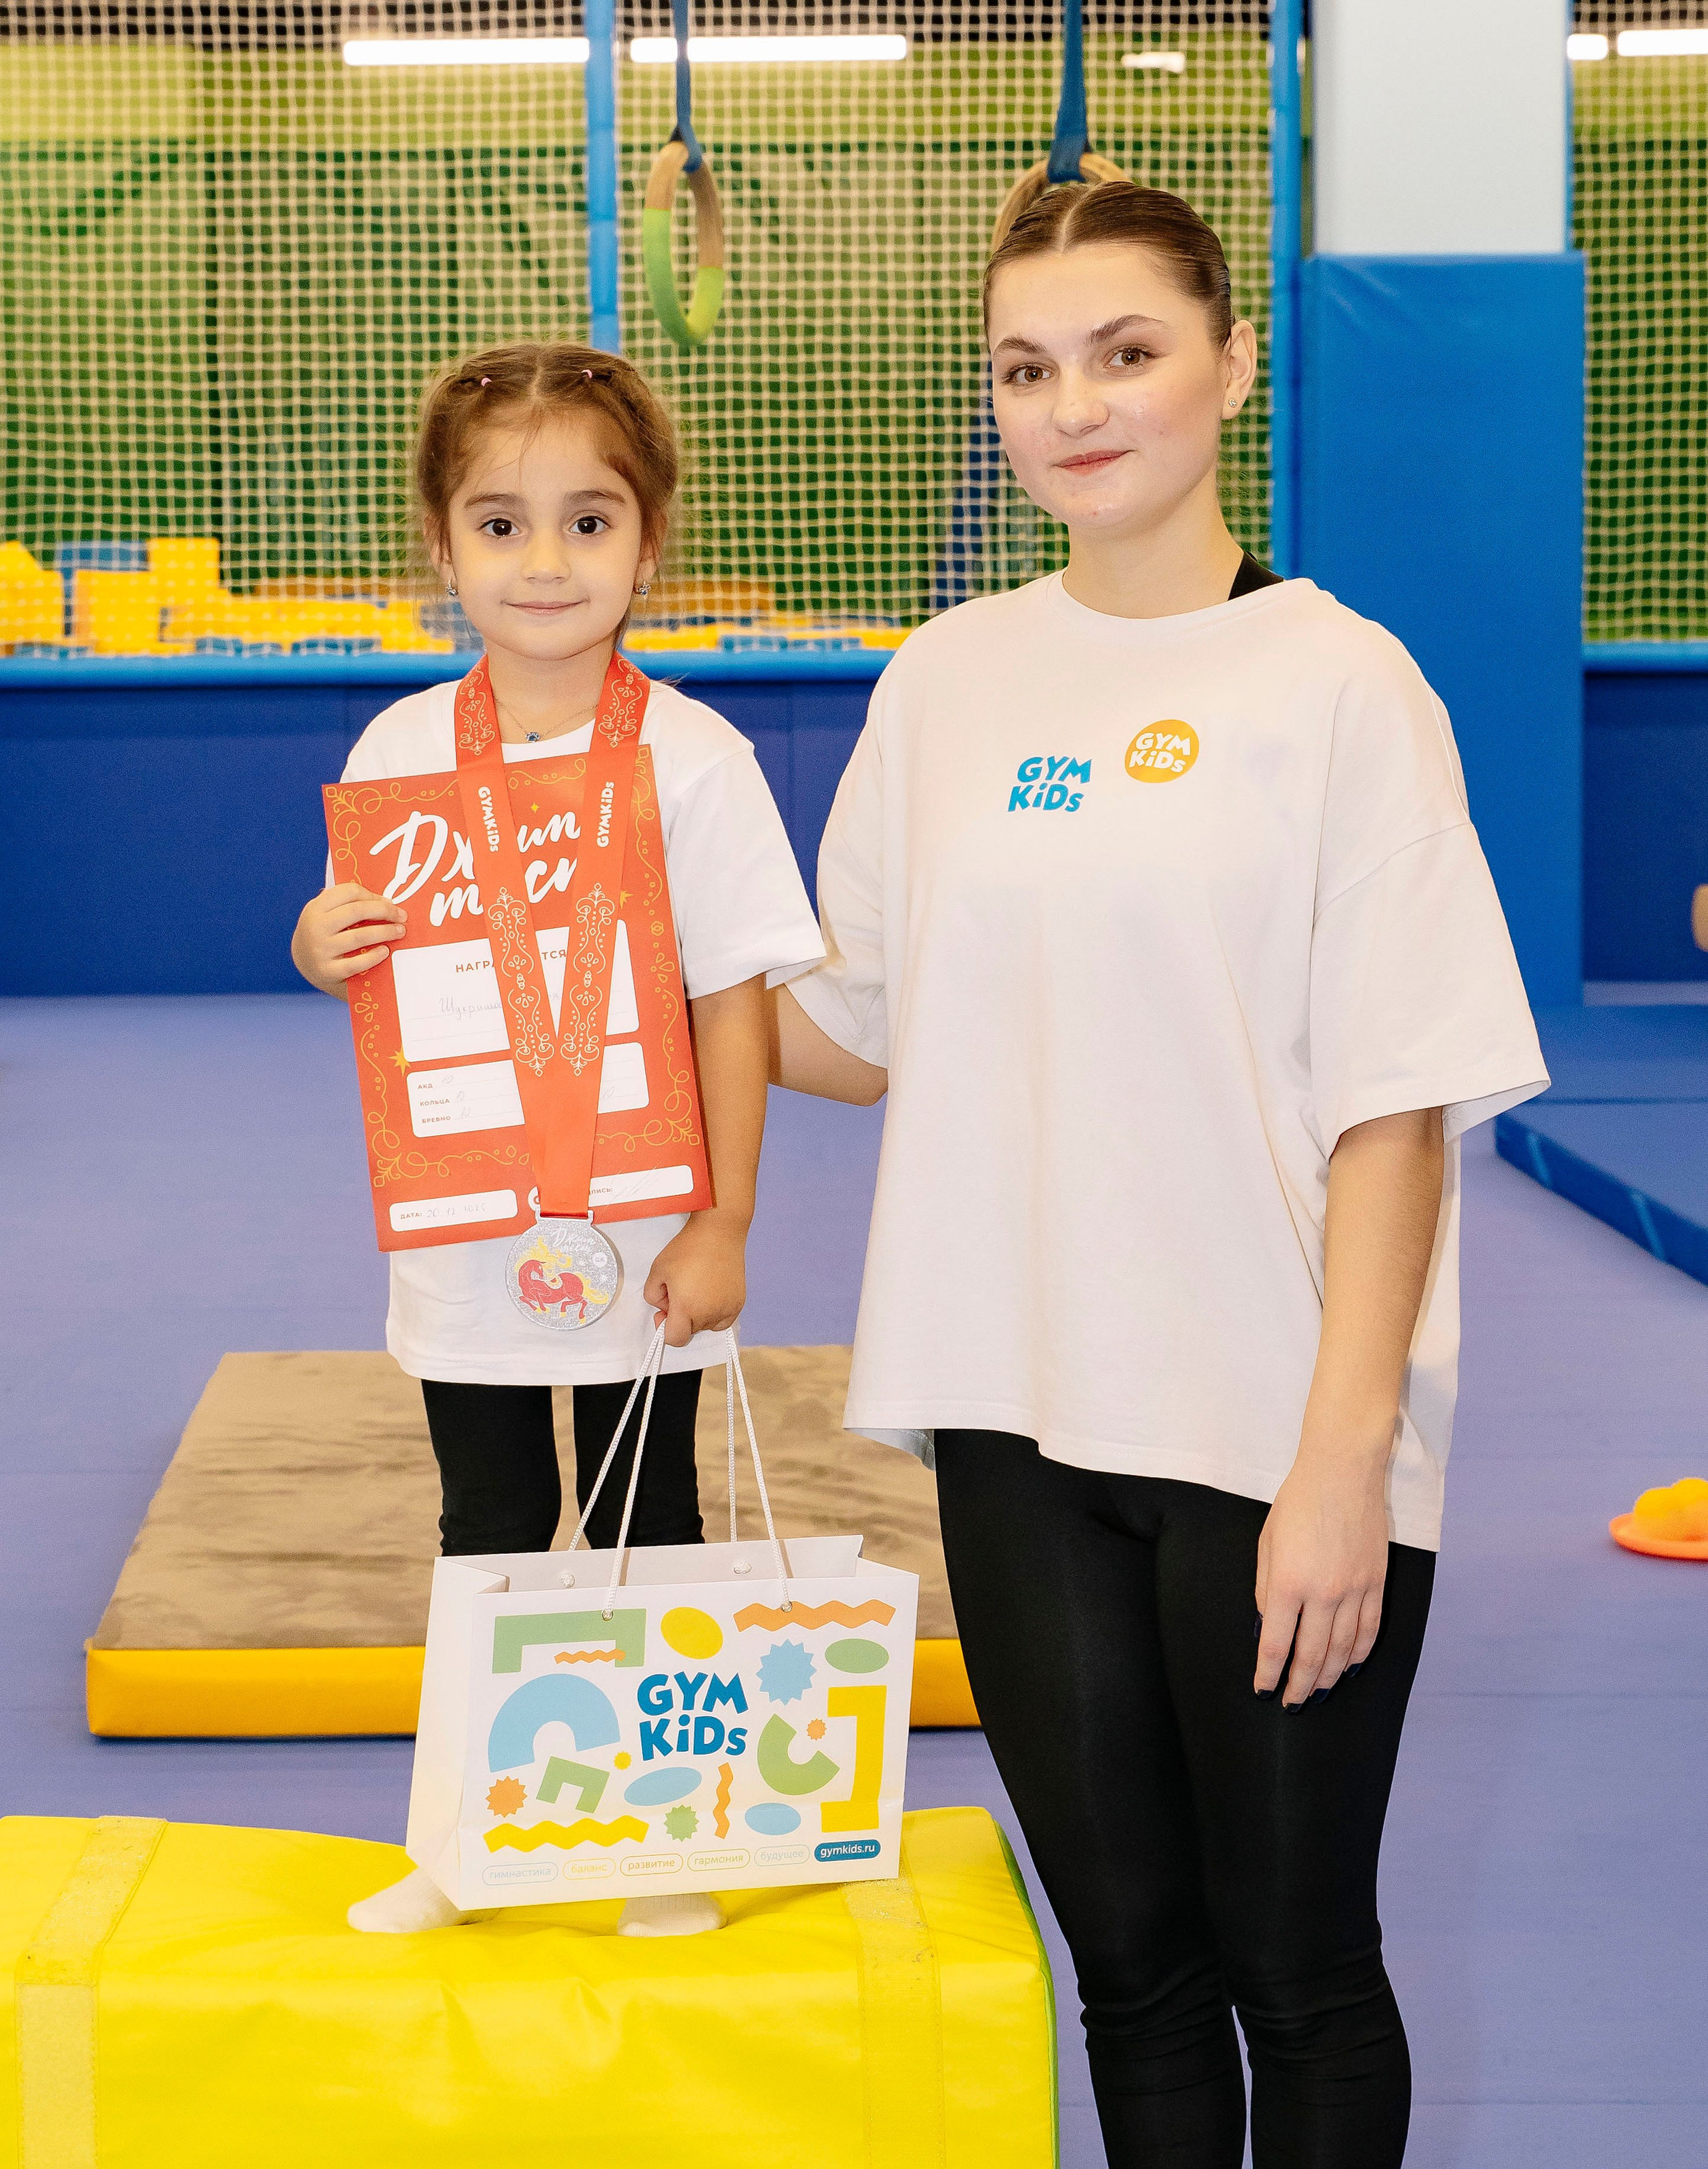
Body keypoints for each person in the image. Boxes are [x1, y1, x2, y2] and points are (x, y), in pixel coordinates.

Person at [769, 183, 1547, 2166]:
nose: (1075, 408)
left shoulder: (1339, 682)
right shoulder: (943, 680)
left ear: (1232, 363)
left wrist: (1345, 1460)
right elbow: (856, 1025)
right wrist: (578, 945)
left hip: (1268, 1431)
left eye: (1125, 354)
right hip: (1020, 1420)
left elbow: (1401, 1100)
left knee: (1297, 1961)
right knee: (1130, 1964)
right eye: (1027, 370)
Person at [292, 342, 823, 1937]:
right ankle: (461, 1845)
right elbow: (375, 972)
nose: (544, 562)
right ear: (441, 546)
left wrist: (723, 1220)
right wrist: (318, 945)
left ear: (646, 545)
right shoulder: (397, 754)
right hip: (470, 1235)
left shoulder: (695, 760)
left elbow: (733, 1006)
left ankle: (660, 1844)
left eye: (586, 522)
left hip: (649, 1229)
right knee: (489, 1532)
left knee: (652, 1523)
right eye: (501, 523)